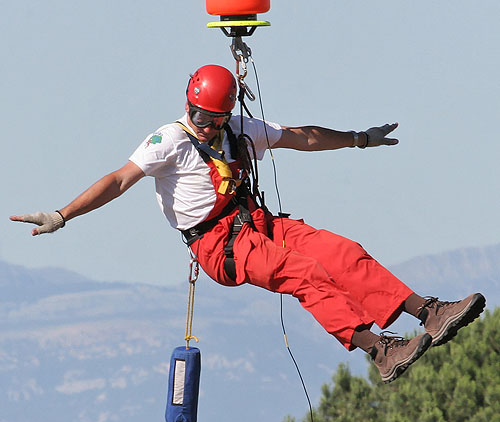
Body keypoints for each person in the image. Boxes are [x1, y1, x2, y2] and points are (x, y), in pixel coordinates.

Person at [10, 64, 485, 383]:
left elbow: (302, 137)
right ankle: (380, 350)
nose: (204, 124)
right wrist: (62, 214)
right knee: (304, 274)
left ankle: (428, 311)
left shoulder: (239, 129)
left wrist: (358, 138)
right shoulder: (167, 141)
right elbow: (118, 180)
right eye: (197, 114)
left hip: (255, 221)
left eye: (213, 117)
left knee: (341, 252)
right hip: (219, 245)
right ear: (187, 105)